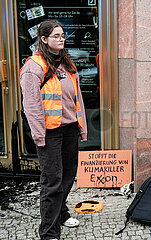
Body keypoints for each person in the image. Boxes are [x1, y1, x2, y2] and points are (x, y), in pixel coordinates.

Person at [20, 20, 87, 240]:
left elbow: (77, 97)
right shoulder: (34, 66)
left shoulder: (66, 62)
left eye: (63, 35)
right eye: (56, 36)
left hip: (68, 128)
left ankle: (61, 213)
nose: (61, 39)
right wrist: (39, 135)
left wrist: (81, 126)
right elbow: (31, 105)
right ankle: (49, 232)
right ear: (44, 39)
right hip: (49, 132)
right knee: (52, 182)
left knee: (68, 175)